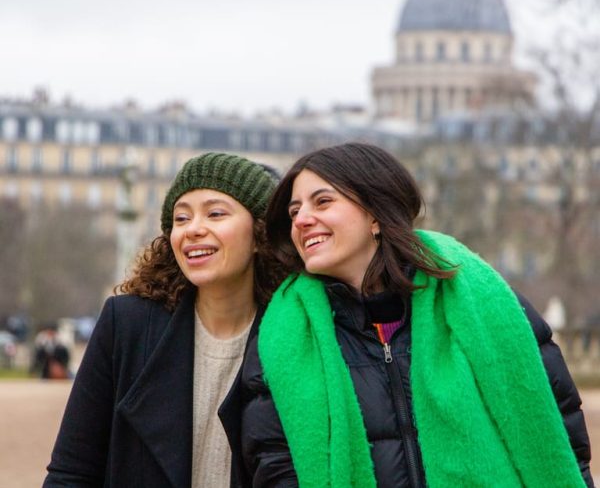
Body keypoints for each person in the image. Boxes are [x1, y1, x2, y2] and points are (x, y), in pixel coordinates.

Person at [234, 143, 594, 487]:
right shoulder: (285, 335)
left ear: (375, 213)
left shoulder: (486, 304)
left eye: (323, 202)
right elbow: (274, 463)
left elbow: (557, 432)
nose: (302, 220)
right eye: (294, 211)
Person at [44, 152, 286, 487]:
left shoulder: (293, 335)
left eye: (215, 213)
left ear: (260, 232)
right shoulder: (126, 325)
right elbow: (72, 473)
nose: (193, 229)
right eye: (181, 218)